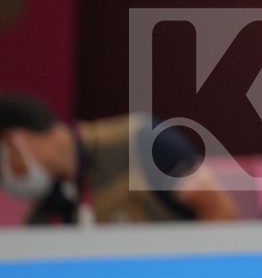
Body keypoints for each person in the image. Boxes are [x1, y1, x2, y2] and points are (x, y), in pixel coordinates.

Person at [0, 92, 237, 224]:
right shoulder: (46, 209)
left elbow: (219, 211)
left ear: (14, 141)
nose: (4, 179)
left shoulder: (142, 141)